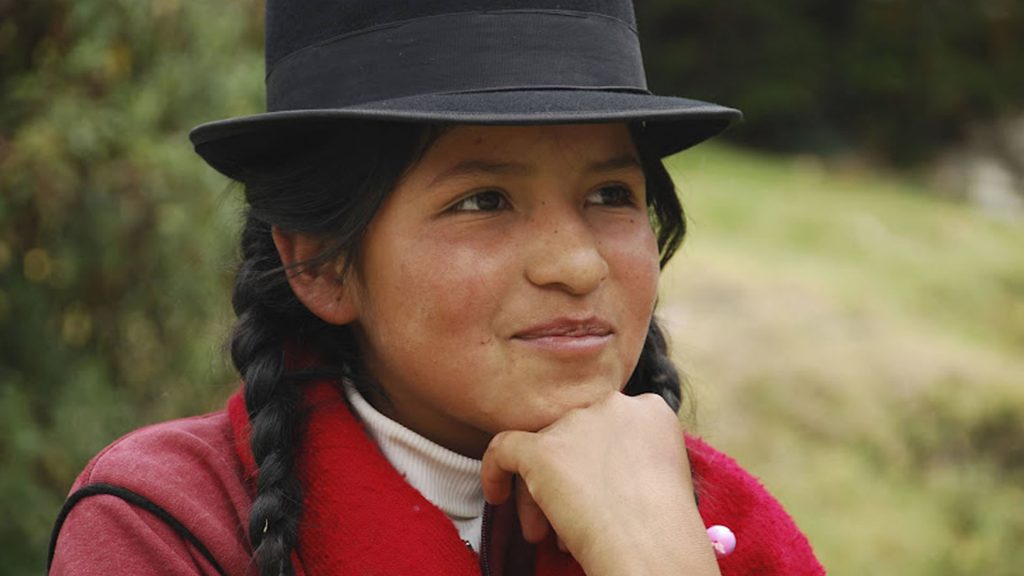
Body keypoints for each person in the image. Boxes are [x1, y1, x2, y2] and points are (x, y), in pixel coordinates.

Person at [48, 1, 826, 575]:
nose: (579, 265)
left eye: (611, 196)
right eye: (483, 201)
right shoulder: (171, 523)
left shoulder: (719, 523)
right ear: (320, 263)